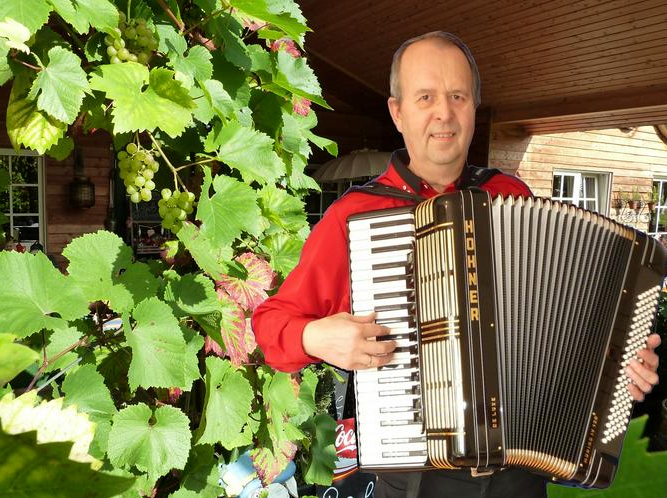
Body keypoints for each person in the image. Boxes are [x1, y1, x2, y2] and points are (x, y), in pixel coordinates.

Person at [252, 31, 661, 497]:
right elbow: (269, 325)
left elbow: (564, 320)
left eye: (457, 96)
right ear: (398, 112)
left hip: (518, 470)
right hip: (413, 478)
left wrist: (619, 364)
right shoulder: (355, 216)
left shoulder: (510, 197)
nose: (443, 112)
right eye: (425, 97)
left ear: (473, 109)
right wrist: (316, 336)